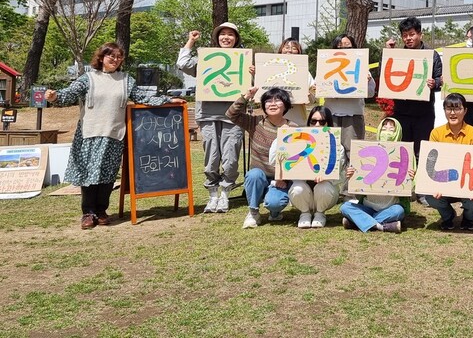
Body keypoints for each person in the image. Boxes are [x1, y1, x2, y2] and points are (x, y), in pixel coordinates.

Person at [45, 42, 182, 229]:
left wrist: (168, 99)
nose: (115, 60)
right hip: (90, 133)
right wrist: (54, 97)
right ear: (101, 57)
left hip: (114, 134)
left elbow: (142, 97)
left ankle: (101, 211)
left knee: (107, 175)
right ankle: (88, 212)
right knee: (89, 175)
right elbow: (69, 94)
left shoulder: (126, 80)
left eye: (119, 57)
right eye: (111, 56)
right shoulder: (88, 78)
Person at [177, 22, 245, 214]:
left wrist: (252, 74)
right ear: (217, 38)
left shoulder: (243, 60)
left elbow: (253, 85)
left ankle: (225, 192)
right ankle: (213, 194)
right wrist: (191, 41)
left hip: (234, 115)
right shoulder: (206, 59)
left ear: (236, 39)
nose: (226, 37)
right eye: (222, 34)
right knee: (211, 156)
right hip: (207, 114)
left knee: (231, 156)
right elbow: (182, 64)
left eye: (231, 34)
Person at [385, 16, 442, 205]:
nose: (408, 38)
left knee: (423, 150)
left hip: (424, 111)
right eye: (405, 35)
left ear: (420, 34)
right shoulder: (398, 54)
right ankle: (404, 187)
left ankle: (423, 190)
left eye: (412, 34)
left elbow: (442, 81)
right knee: (403, 150)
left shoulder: (432, 55)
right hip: (401, 111)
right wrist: (387, 53)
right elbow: (386, 75)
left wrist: (435, 83)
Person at [226, 87, 296, 229]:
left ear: (286, 105)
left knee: (275, 203)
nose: (272, 103)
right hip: (260, 176)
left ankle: (275, 212)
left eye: (278, 100)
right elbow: (231, 114)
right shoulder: (255, 123)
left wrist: (284, 178)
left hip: (280, 179)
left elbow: (296, 160)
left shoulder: (293, 128)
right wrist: (246, 96)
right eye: (268, 101)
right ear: (263, 105)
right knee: (253, 175)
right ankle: (253, 212)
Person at [421, 93, 473, 231]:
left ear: (465, 110)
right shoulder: (436, 133)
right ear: (444, 111)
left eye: (457, 108)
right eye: (449, 108)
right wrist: (433, 185)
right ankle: (447, 216)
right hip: (445, 181)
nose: (453, 113)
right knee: (431, 197)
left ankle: (468, 216)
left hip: (466, 183)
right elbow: (432, 163)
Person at [340, 117, 413, 233]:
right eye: (384, 128)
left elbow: (411, 190)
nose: (387, 132)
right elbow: (358, 188)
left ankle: (357, 222)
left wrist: (410, 179)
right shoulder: (366, 152)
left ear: (398, 132)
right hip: (367, 207)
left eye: (391, 129)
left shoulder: (406, 155)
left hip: (390, 208)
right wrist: (351, 177)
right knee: (345, 207)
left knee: (398, 211)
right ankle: (382, 226)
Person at [322, 33, 376, 165]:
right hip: (331, 115)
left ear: (354, 48)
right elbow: (320, 89)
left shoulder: (362, 66)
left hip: (353, 116)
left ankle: (351, 185)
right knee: (329, 153)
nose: (344, 49)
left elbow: (370, 93)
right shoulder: (326, 65)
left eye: (348, 45)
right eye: (339, 46)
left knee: (354, 154)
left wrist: (366, 82)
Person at [286, 106, 342, 228]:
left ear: (329, 123)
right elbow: (281, 164)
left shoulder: (337, 146)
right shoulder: (299, 143)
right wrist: (281, 137)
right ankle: (304, 213)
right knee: (297, 188)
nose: (317, 125)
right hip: (303, 192)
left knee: (323, 187)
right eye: (313, 121)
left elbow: (340, 176)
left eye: (322, 122)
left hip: (326, 194)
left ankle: (320, 213)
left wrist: (328, 178)